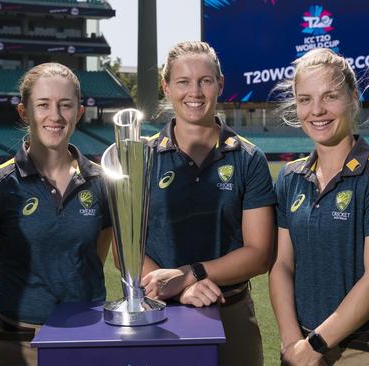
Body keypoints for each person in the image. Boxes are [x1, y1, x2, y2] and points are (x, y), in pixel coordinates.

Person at [139, 41, 275, 366]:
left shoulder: (248, 158)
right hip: (159, 315)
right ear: (166, 87)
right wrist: (174, 289)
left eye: (205, 81)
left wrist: (190, 275)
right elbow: (125, 247)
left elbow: (259, 254)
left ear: (220, 84)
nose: (195, 92)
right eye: (183, 81)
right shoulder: (141, 157)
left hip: (231, 315)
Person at [0, 63, 113, 366]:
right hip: (18, 347)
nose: (55, 116)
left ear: (79, 111)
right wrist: (8, 320)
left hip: (88, 340)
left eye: (65, 105)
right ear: (24, 112)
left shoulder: (103, 182)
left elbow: (93, 258)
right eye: (43, 105)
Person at [269, 48, 369, 366]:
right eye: (305, 99)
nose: (317, 110)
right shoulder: (290, 176)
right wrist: (291, 343)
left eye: (330, 97)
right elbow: (281, 265)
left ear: (353, 96)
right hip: (299, 348)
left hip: (358, 351)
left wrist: (314, 346)